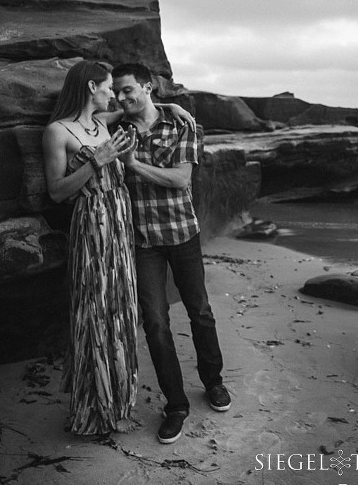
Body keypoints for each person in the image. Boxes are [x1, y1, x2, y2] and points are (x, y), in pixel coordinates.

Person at [43, 60, 195, 436]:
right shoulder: (57, 132)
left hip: (122, 224)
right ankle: (93, 407)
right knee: (95, 312)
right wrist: (98, 160)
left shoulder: (103, 123)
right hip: (93, 226)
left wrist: (173, 107)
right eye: (109, 87)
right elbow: (57, 192)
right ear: (92, 87)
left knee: (121, 313)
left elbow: (140, 107)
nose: (114, 94)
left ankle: (117, 400)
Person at [111, 62, 230, 445]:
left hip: (181, 235)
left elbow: (181, 180)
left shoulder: (183, 125)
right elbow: (92, 114)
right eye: (117, 92)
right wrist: (139, 111)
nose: (122, 97)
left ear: (148, 87)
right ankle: (175, 404)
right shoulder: (118, 129)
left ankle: (213, 382)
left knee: (200, 311)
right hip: (142, 241)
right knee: (156, 323)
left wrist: (132, 165)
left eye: (129, 90)